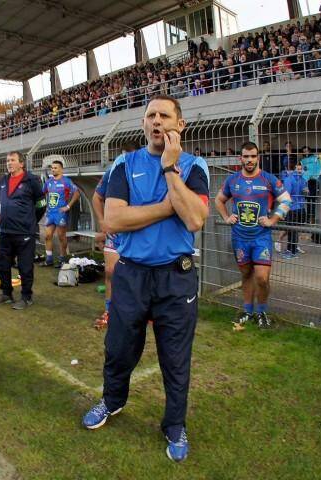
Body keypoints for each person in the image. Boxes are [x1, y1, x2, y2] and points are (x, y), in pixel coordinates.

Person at [82, 95, 210, 463]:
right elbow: (114, 220)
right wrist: (170, 206)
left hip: (176, 278)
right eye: (150, 115)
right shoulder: (125, 163)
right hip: (132, 274)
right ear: (143, 124)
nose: (157, 121)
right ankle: (112, 400)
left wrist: (170, 170)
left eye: (164, 115)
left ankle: (174, 425)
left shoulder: (193, 166)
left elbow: (195, 221)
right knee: (120, 348)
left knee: (175, 358)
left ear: (179, 125)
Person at [215, 142, 292, 327]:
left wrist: (273, 220)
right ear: (240, 158)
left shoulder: (268, 179)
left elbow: (286, 200)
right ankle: (248, 311)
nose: (249, 160)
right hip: (239, 238)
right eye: (246, 156)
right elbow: (218, 200)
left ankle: (262, 312)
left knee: (262, 278)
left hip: (261, 238)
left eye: (253, 156)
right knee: (246, 274)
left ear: (258, 157)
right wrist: (226, 217)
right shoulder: (232, 180)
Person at [92, 140, 140, 329]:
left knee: (138, 274)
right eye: (121, 156)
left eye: (127, 156)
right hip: (116, 232)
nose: (123, 160)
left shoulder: (146, 170)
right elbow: (97, 197)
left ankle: (141, 311)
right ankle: (109, 310)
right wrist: (103, 222)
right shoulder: (113, 170)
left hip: (136, 231)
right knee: (111, 272)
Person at [0, 151, 45, 310]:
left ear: (21, 163)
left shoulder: (31, 180)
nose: (9, 163)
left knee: (25, 266)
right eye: (7, 160)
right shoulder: (3, 180)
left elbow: (41, 204)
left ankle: (26, 296)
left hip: (24, 232)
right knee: (2, 265)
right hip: (6, 231)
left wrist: (30, 220)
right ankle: (6, 292)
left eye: (12, 160)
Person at [42, 160, 80, 267]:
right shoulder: (48, 182)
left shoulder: (66, 181)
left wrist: (67, 207)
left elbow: (77, 194)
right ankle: (49, 259)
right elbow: (43, 194)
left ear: (61, 169)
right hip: (50, 213)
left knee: (61, 237)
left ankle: (62, 258)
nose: (53, 170)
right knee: (47, 236)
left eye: (55, 168)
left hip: (60, 214)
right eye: (52, 168)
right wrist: (45, 208)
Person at [281, 161, 309, 259]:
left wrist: (306, 192)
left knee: (293, 230)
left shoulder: (301, 179)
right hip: (294, 208)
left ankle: (291, 250)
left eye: (301, 169)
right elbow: (287, 196)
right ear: (294, 169)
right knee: (293, 230)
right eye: (298, 169)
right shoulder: (291, 179)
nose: (300, 171)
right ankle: (291, 250)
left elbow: (287, 195)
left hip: (297, 208)